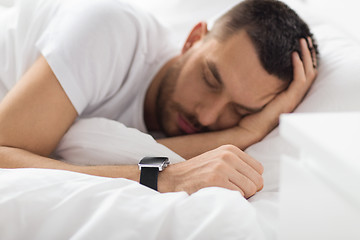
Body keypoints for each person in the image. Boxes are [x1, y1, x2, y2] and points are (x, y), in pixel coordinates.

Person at [0, 0, 317, 198]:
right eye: (209, 79)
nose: (207, 117)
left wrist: (246, 134)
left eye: (240, 110)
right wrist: (162, 178)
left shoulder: (205, 127)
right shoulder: (110, 31)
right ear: (193, 39)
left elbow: (103, 157)